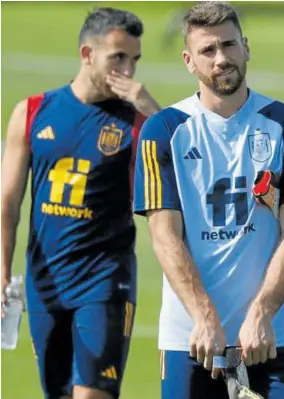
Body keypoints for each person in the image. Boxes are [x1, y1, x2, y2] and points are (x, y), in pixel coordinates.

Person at [132, 2, 284, 398]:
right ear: (188, 60)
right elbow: (165, 237)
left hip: (272, 335)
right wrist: (203, 317)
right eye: (208, 50)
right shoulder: (163, 130)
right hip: (193, 341)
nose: (222, 59)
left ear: (246, 47)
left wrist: (262, 313)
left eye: (229, 45)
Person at [0, 7, 160, 399]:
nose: (128, 71)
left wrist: (153, 111)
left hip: (104, 281)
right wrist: (2, 273)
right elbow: (8, 203)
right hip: (45, 281)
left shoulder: (136, 122)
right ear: (87, 55)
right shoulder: (33, 111)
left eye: (134, 60)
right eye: (117, 58)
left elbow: (186, 166)